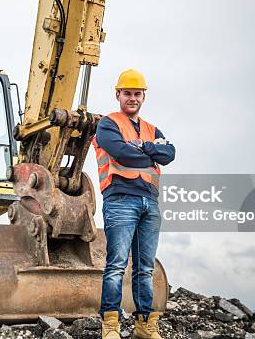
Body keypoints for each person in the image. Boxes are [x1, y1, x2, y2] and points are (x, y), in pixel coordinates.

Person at [92, 69, 175, 339]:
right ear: (118, 94)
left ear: (143, 97)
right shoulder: (107, 124)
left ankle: (145, 326)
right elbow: (122, 154)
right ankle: (111, 326)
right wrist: (149, 152)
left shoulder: (152, 129)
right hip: (120, 199)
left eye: (137, 93)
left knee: (145, 268)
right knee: (116, 265)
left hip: (150, 202)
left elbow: (169, 153)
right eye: (127, 93)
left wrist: (146, 148)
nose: (132, 98)